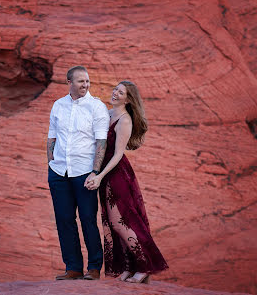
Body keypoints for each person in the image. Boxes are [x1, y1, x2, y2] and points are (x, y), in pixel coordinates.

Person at [85, 81, 169, 283]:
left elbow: (117, 155)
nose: (115, 93)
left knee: (121, 221)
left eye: (120, 92)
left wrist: (99, 175)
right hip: (105, 174)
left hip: (116, 174)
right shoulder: (108, 113)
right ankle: (129, 267)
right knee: (114, 224)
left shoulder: (124, 120)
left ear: (128, 99)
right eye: (115, 89)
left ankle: (145, 265)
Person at [47, 66, 110, 280]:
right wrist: (51, 165)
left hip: (84, 172)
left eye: (87, 81)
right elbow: (51, 137)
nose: (85, 85)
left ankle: (93, 268)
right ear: (69, 82)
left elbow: (101, 141)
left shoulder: (96, 107)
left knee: (87, 219)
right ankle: (72, 268)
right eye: (81, 81)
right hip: (59, 172)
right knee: (64, 219)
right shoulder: (58, 105)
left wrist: (95, 172)